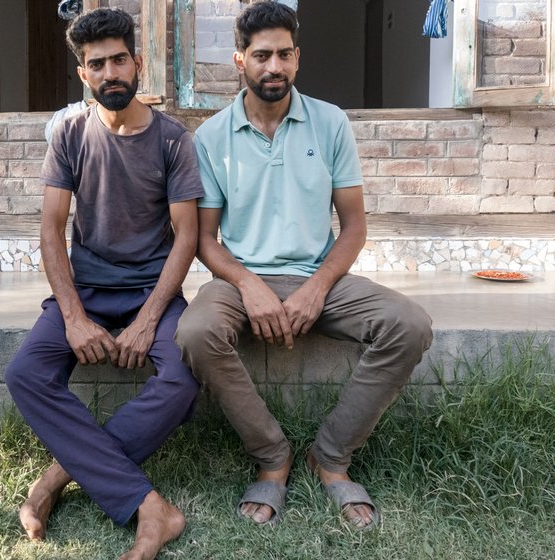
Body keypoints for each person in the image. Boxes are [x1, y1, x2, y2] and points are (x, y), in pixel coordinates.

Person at [175, 1, 433, 530]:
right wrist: (248, 284)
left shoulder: (330, 122)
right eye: (262, 55)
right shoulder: (211, 137)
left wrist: (317, 287)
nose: (275, 67)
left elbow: (354, 226)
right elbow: (204, 240)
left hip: (319, 274)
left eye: (285, 54)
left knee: (409, 325)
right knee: (197, 331)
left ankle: (331, 455)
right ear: (239, 60)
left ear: (298, 58)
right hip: (240, 276)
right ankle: (272, 456)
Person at [5, 8, 204, 559]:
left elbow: (186, 238)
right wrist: (72, 316)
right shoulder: (69, 132)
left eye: (120, 59)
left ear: (138, 63)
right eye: (98, 64)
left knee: (183, 379)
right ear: (83, 74)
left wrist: (146, 320)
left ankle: (53, 480)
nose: (111, 72)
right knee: (26, 373)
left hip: (152, 293)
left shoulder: (172, 140)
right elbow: (50, 229)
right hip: (86, 290)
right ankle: (149, 507)